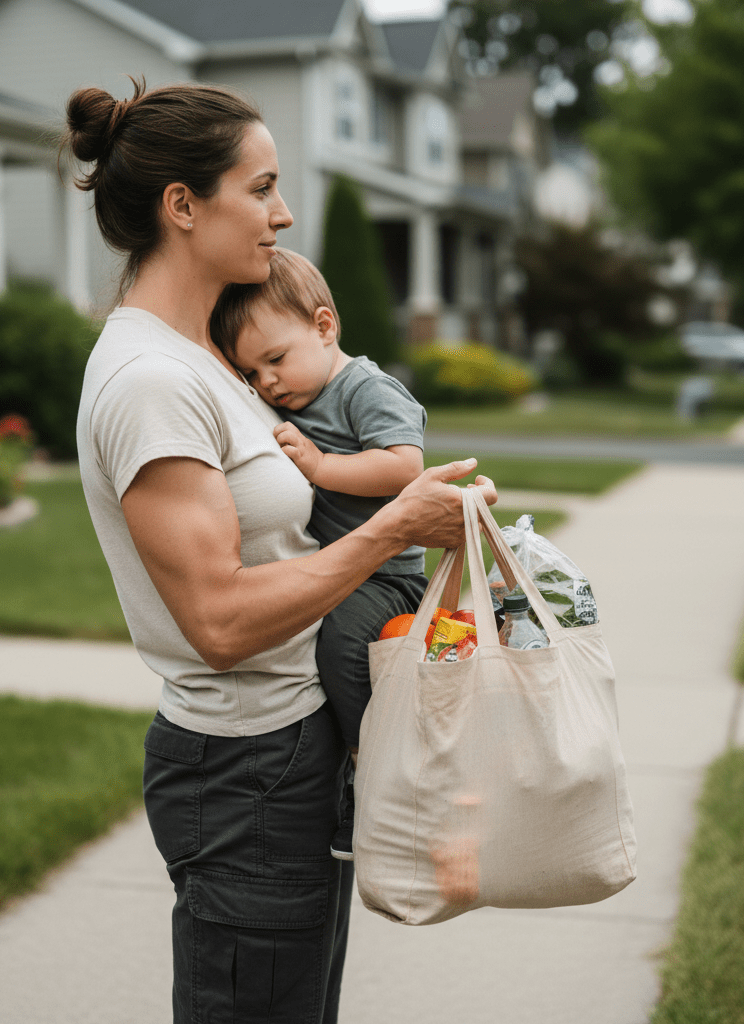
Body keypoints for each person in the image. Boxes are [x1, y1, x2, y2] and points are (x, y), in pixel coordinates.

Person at [65, 75, 496, 1024]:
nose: (284, 212)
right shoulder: (148, 381)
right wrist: (394, 528)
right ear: (184, 206)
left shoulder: (206, 361)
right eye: (260, 188)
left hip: (291, 757)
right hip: (245, 773)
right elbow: (218, 622)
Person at [210, 248, 429, 860]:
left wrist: (320, 465)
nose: (269, 383)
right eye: (252, 375)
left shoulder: (367, 388)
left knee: (340, 646)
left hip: (386, 577)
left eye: (275, 360)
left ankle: (381, 772)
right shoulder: (292, 400)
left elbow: (404, 466)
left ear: (325, 326)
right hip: (344, 571)